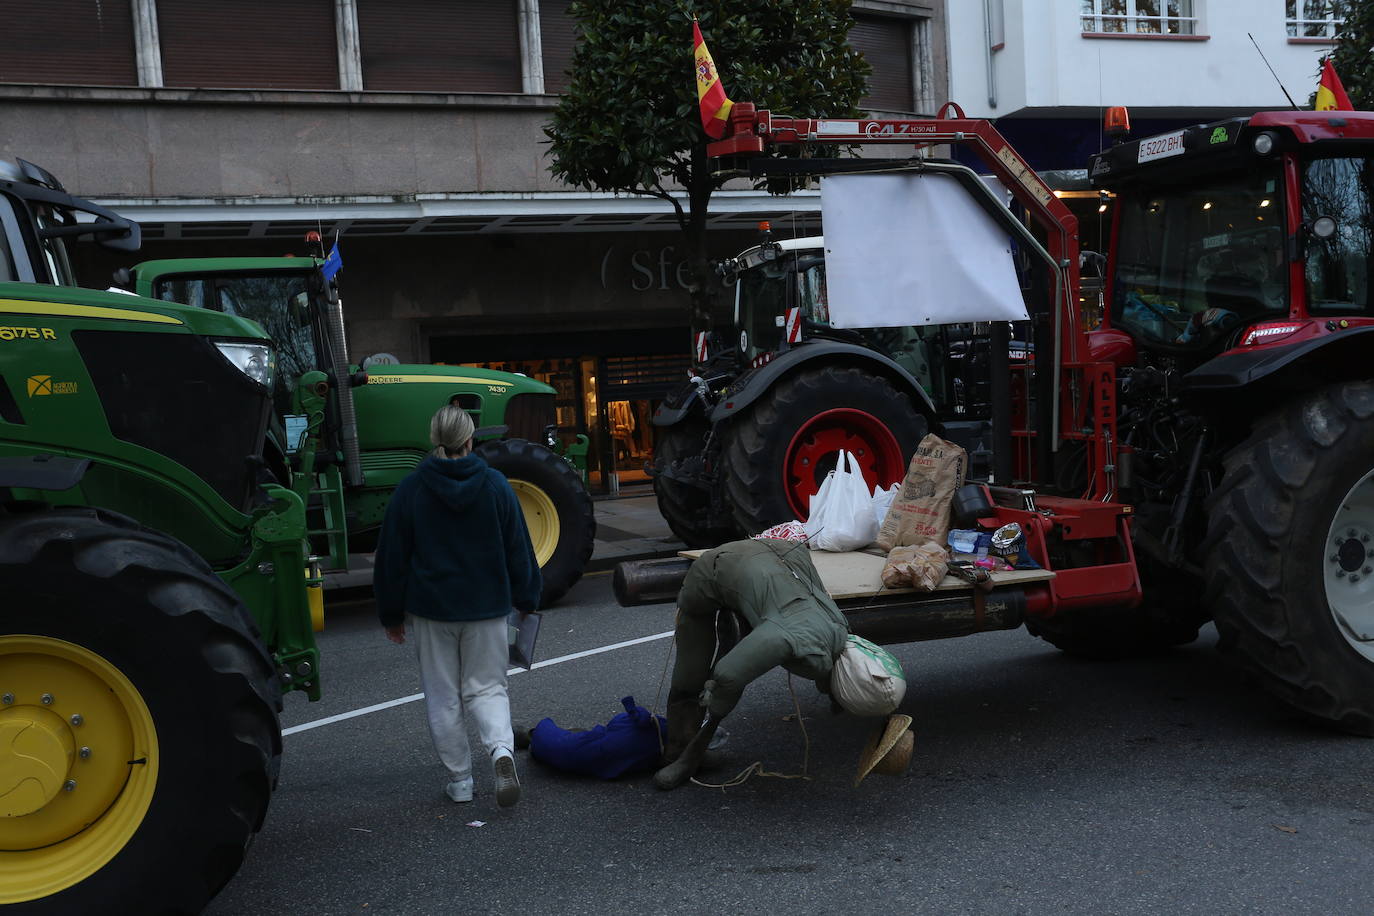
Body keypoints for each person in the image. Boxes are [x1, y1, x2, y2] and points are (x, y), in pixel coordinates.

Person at [374, 404, 541, 806]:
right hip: (487, 608)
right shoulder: (496, 485)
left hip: (433, 610)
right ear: (470, 439)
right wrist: (527, 599)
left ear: (434, 439)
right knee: (487, 689)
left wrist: (391, 615)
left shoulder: (411, 489)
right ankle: (501, 752)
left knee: (443, 695)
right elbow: (518, 550)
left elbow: (392, 558)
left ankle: (461, 782)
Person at [654, 538, 852, 790]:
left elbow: (831, 660)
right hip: (713, 569)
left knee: (738, 642)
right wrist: (716, 708)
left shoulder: (837, 624)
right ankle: (679, 753)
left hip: (779, 553)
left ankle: (732, 619)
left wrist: (834, 693)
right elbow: (728, 676)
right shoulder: (779, 636)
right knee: (691, 675)